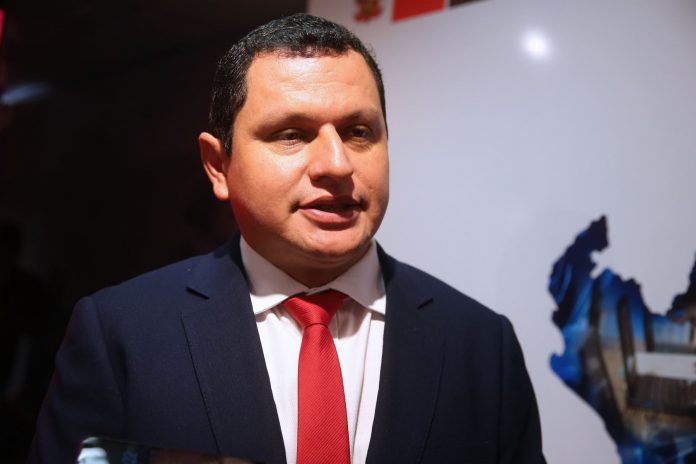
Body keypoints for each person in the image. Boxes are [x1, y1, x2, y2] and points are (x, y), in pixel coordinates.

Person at [28, 13, 545, 464]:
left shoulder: (481, 346)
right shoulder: (122, 335)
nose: (337, 165)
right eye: (291, 134)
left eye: (359, 132)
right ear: (218, 166)